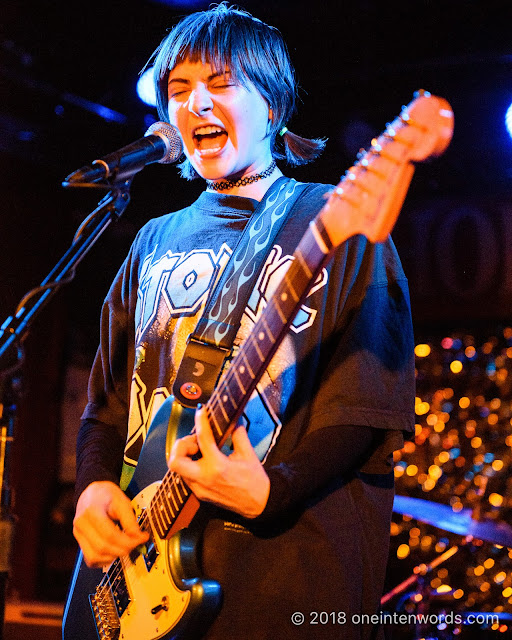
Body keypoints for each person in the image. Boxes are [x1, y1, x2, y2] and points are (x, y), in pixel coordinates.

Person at [72, 4, 415, 639]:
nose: (195, 103)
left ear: (275, 107)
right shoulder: (151, 240)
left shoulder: (337, 222)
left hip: (284, 581)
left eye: (221, 82)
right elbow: (108, 401)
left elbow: (367, 407)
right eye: (178, 90)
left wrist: (270, 490)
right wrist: (93, 489)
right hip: (138, 580)